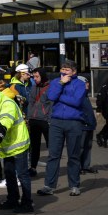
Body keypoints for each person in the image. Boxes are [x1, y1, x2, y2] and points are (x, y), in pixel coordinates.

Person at [38, 60, 89, 197]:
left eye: (67, 70)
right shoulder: (56, 82)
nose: (64, 72)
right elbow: (51, 96)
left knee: (73, 155)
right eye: (62, 69)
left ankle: (74, 185)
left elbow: (77, 101)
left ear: (74, 72)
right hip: (56, 122)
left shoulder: (80, 84)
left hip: (74, 122)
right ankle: (49, 185)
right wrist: (61, 84)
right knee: (53, 155)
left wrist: (60, 97)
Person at [0, 86, 32, 213]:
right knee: (9, 173)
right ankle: (13, 199)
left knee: (22, 174)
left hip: (18, 143)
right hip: (7, 145)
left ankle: (27, 203)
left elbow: (5, 122)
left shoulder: (7, 104)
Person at [26, 68, 51, 176]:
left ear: (42, 76)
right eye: (33, 77)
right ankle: (33, 167)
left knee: (51, 145)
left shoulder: (49, 88)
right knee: (34, 146)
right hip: (34, 120)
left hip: (45, 120)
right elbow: (30, 103)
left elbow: (52, 104)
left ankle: (52, 167)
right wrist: (29, 117)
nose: (35, 79)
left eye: (37, 77)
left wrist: (49, 118)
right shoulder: (34, 87)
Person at [78, 76, 99, 175]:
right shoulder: (79, 95)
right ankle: (78, 167)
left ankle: (85, 166)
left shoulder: (85, 95)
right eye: (86, 83)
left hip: (90, 125)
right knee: (80, 147)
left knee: (88, 146)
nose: (88, 85)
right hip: (83, 125)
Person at [97, 77, 108, 148]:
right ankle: (103, 137)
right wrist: (99, 109)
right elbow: (100, 98)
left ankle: (102, 135)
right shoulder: (105, 87)